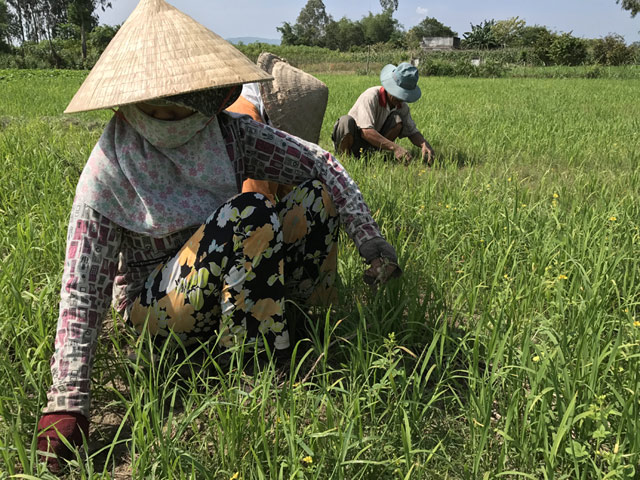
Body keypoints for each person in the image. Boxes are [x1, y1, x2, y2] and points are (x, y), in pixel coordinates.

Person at [35, 0, 401, 472]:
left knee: (314, 198)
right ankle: (264, 376)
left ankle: (310, 330)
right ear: (129, 103)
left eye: (180, 104)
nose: (169, 118)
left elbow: (320, 164)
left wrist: (369, 241)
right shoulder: (108, 170)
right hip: (159, 309)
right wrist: (68, 401)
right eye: (155, 108)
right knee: (248, 213)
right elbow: (82, 289)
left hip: (229, 278)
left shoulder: (230, 136)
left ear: (204, 97)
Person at [227, 52, 329, 204]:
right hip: (235, 216)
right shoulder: (247, 121)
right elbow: (254, 201)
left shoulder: (260, 114)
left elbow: (284, 177)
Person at [331, 62, 435, 165]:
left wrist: (423, 144)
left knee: (398, 120)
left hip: (371, 145)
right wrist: (395, 147)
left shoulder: (402, 106)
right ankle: (345, 160)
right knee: (345, 121)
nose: (400, 99)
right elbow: (366, 131)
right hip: (354, 140)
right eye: (398, 94)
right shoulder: (371, 96)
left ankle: (373, 156)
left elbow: (411, 131)